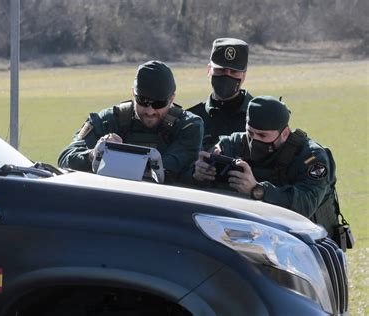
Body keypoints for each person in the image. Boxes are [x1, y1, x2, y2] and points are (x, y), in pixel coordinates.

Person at [193, 95, 341, 239]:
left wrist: (257, 190)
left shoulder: (311, 157)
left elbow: (305, 205)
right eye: (250, 133)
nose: (254, 140)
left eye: (263, 136)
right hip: (258, 237)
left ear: (284, 134)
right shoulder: (235, 143)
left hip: (312, 239)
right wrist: (199, 173)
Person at [58, 60, 204, 183]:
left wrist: (116, 158)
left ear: (172, 100)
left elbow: (168, 169)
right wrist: (93, 154)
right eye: (142, 101)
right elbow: (65, 158)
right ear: (133, 94)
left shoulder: (188, 127)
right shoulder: (109, 121)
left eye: (159, 104)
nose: (150, 111)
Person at [188, 38, 253, 151]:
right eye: (221, 70)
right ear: (209, 70)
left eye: (234, 72)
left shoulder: (257, 117)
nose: (227, 76)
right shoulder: (191, 119)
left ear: (244, 75)